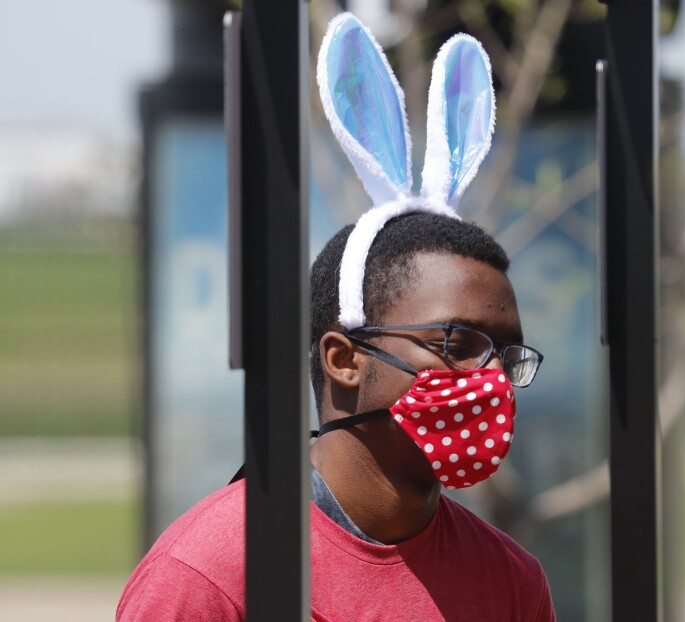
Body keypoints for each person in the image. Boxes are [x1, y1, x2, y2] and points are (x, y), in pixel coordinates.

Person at [118, 13, 556, 621]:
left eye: (506, 355)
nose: (490, 378)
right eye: (458, 342)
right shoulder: (213, 578)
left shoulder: (510, 582)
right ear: (343, 360)